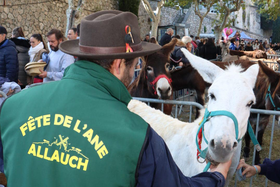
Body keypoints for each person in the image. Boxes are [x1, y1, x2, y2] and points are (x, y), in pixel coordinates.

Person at [0, 10, 232, 187]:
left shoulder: (13, 106)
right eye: (135, 65)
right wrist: (217, 175)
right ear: (119, 65)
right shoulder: (139, 136)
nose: (135, 72)